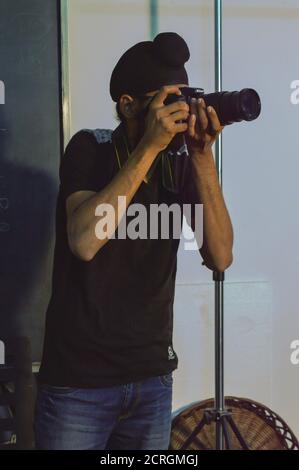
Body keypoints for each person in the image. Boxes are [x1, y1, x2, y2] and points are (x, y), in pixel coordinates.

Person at [34, 32, 233, 450]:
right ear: (128, 105)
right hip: (79, 384)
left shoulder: (181, 166)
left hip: (150, 380)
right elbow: (85, 241)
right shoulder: (91, 148)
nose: (177, 114)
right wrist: (149, 146)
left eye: (182, 102)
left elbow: (220, 255)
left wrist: (201, 157)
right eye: (165, 103)